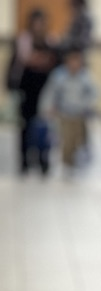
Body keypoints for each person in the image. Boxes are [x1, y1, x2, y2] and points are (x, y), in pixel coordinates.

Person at [12, 9, 58, 175]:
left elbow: (53, 62)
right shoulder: (23, 40)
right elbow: (20, 61)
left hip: (44, 90)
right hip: (27, 88)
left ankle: (43, 160)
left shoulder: (50, 40)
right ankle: (24, 161)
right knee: (25, 126)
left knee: (45, 127)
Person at [40, 48, 99, 169]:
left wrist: (87, 104)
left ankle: (76, 162)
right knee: (66, 140)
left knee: (78, 140)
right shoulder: (59, 76)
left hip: (79, 114)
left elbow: (95, 92)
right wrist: (47, 107)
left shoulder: (85, 77)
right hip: (64, 114)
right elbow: (50, 93)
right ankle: (67, 163)